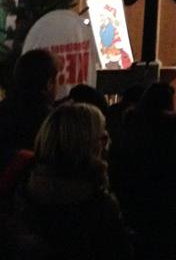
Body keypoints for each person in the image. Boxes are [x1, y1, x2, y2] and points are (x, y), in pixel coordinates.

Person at [12, 102, 133, 260]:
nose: (107, 144)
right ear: (91, 145)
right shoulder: (97, 207)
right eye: (103, 138)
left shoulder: (20, 191)